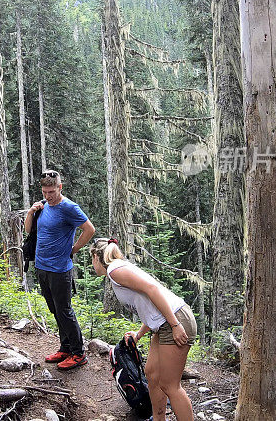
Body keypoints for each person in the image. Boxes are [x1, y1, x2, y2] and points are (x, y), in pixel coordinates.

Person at [90, 238, 197, 421]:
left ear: (95, 256)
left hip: (175, 320)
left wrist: (175, 325)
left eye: (90, 260)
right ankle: (158, 418)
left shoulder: (115, 270)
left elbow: (153, 290)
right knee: (152, 375)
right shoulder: (118, 268)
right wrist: (139, 334)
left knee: (170, 385)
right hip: (165, 323)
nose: (92, 265)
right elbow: (149, 304)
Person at [24, 169, 95, 370]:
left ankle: (79, 353)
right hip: (42, 266)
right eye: (45, 192)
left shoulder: (69, 208)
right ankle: (65, 347)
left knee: (64, 310)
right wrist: (31, 212)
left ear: (60, 188)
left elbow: (89, 229)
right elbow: (28, 230)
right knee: (54, 310)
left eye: (51, 192)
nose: (48, 196)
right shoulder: (43, 207)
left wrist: (74, 248)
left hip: (60, 269)